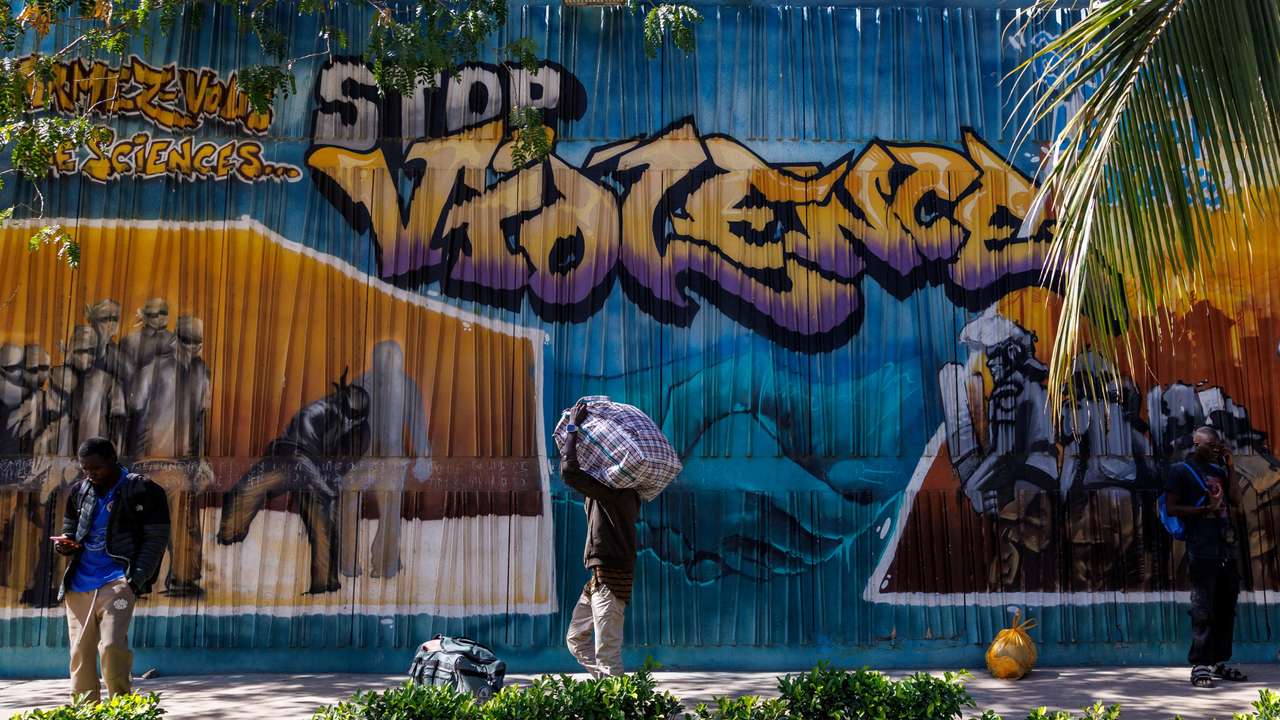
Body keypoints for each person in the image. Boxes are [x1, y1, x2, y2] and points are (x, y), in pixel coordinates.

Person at [51, 437, 169, 702]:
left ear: (113, 461)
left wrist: (135, 579)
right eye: (85, 470)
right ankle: (86, 711)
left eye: (96, 469)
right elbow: (71, 530)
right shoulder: (79, 491)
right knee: (80, 653)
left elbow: (156, 539)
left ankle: (121, 707)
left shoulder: (144, 489)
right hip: (79, 583)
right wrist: (66, 545)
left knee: (112, 647)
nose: (90, 475)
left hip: (118, 581)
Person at [1164, 425, 1250, 688]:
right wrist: (1204, 510)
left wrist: (1231, 466)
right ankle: (1200, 664)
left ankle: (1218, 661)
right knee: (1203, 609)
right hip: (1201, 549)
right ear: (1196, 445)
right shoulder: (1180, 471)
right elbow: (1171, 507)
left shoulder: (1219, 471)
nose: (1216, 450)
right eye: (1211, 446)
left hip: (1226, 548)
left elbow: (1235, 500)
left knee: (1226, 607)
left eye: (1218, 446)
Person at [561, 401, 640, 678]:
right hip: (597, 579)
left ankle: (616, 699)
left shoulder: (616, 490)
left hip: (610, 581)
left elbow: (570, 471)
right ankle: (608, 689)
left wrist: (573, 428)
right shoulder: (615, 491)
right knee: (575, 639)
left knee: (607, 654)